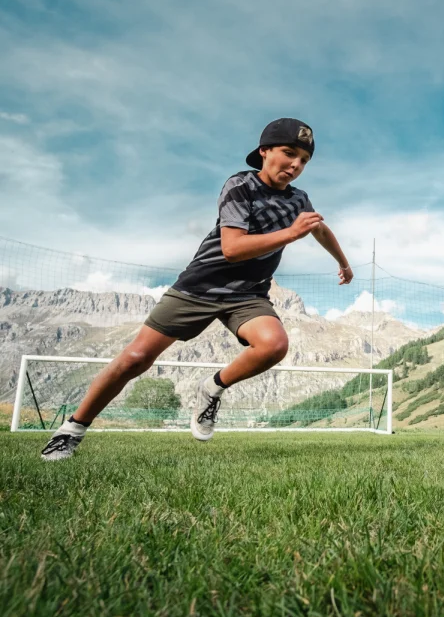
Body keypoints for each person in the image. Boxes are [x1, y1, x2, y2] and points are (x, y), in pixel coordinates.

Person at [41, 118, 353, 461]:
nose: (296, 165)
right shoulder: (240, 185)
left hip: (248, 295)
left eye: (304, 160)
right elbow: (233, 248)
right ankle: (71, 430)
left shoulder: (298, 200)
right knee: (135, 359)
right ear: (264, 152)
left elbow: (318, 228)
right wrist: (291, 234)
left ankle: (212, 388)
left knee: (274, 345)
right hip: (200, 287)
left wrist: (343, 262)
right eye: (288, 153)